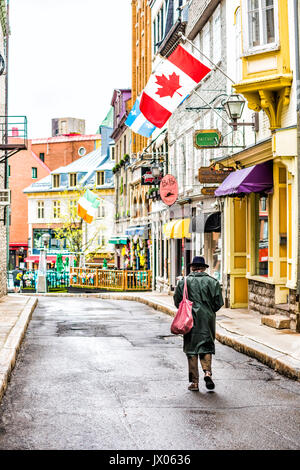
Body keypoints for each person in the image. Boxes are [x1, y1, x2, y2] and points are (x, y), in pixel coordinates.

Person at [174, 256, 224, 392]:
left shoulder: (183, 282)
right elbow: (219, 302)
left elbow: (177, 301)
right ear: (204, 268)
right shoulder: (212, 282)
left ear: (192, 268)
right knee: (206, 345)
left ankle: (194, 383)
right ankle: (207, 372)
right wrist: (208, 310)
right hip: (207, 319)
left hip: (188, 319)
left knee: (191, 349)